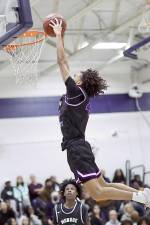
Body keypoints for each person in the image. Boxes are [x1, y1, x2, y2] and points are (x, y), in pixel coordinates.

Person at [49, 18, 150, 208]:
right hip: (81, 146)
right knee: (103, 185)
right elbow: (66, 65)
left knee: (97, 193)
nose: (73, 74)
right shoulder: (79, 95)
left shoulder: (77, 93)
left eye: (77, 74)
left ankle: (140, 197)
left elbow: (62, 61)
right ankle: (143, 193)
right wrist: (61, 36)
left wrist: (57, 35)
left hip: (77, 149)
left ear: (80, 82)